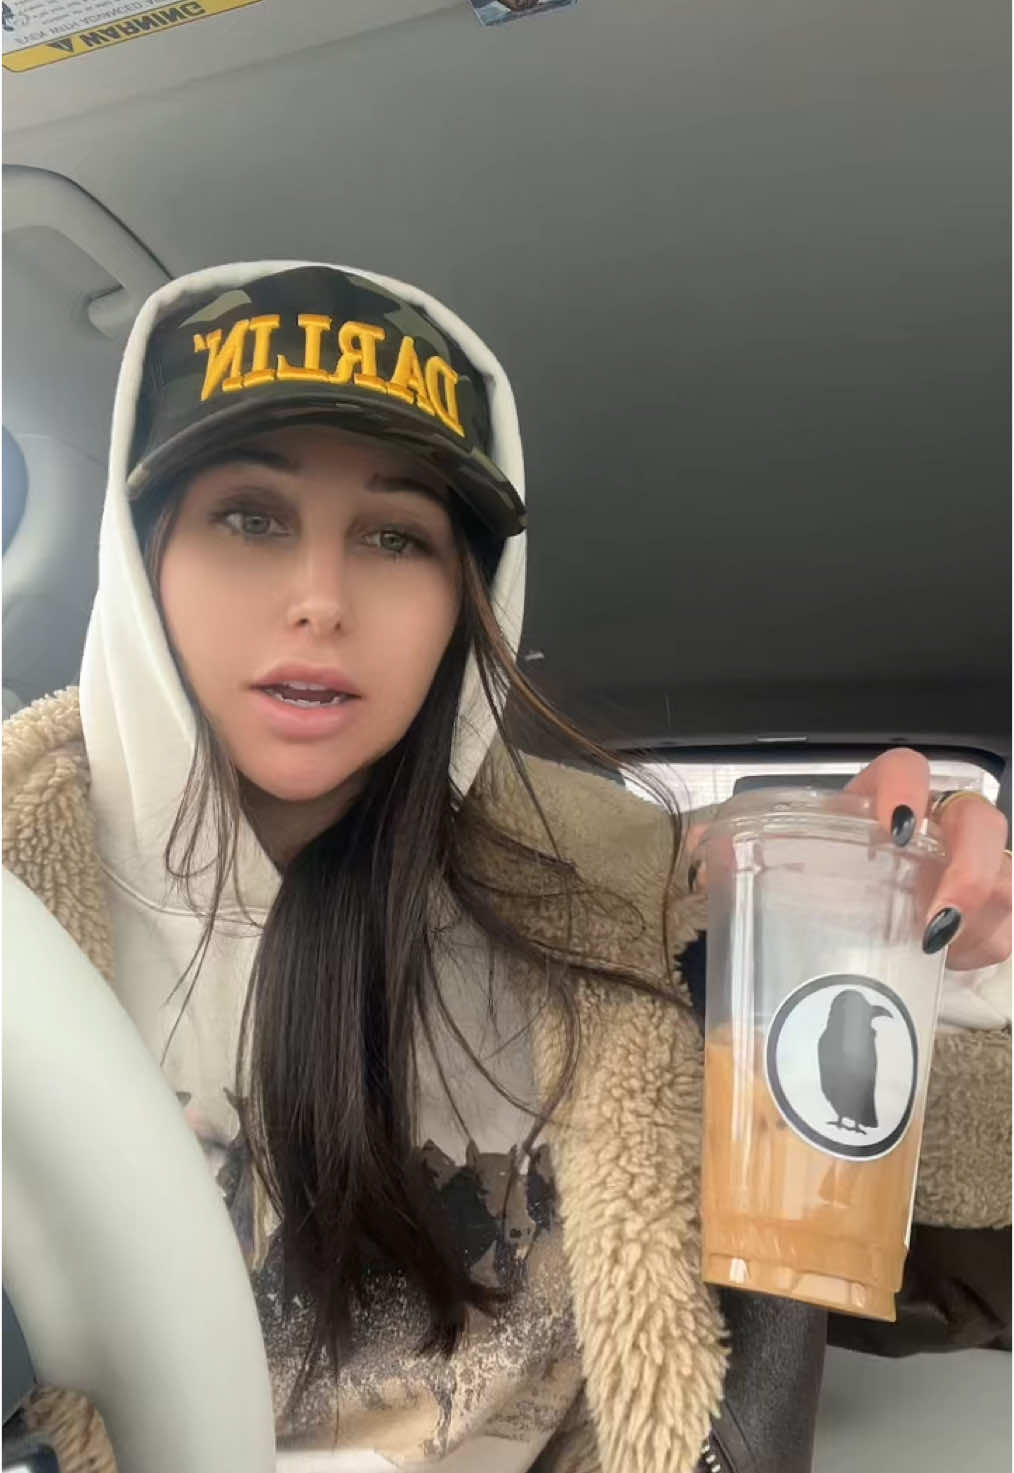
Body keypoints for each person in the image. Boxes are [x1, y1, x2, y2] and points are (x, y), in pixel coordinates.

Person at [3, 261, 1010, 1473]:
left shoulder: (628, 899)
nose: (320, 599)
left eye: (396, 536)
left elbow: (954, 1252)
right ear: (142, 552)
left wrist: (923, 965)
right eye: (250, 517)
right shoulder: (21, 914)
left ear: (468, 596)